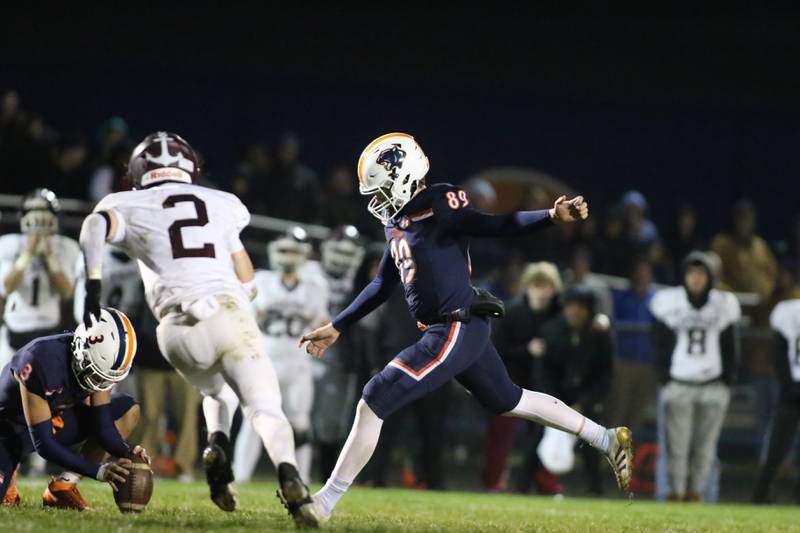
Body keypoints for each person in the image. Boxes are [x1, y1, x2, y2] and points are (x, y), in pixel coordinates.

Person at [298, 132, 633, 524]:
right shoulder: (397, 223)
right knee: (510, 400)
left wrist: (550, 216)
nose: (378, 200)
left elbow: (496, 225)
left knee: (375, 396)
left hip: (453, 325)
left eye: (384, 188)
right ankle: (607, 438)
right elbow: (381, 284)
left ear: (404, 177)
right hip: (452, 328)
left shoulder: (442, 203)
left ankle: (323, 503)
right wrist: (338, 325)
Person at [77, 131, 319, 526]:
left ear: (139, 170)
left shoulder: (127, 201)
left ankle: (215, 443)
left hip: (173, 330)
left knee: (214, 387)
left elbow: (92, 225)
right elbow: (249, 282)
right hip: (225, 311)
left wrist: (93, 286)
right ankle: (291, 480)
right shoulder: (224, 203)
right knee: (264, 408)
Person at [0, 307, 146, 510]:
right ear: (80, 352)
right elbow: (44, 445)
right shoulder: (38, 361)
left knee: (127, 410)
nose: (100, 385)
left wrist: (129, 453)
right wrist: (98, 471)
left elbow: (103, 427)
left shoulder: (98, 362)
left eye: (106, 379)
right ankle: (9, 471)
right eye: (97, 376)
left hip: (53, 420)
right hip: (10, 431)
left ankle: (63, 487)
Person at [233, 227, 329, 483]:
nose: (288, 256)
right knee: (254, 420)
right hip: (265, 361)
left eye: (293, 251)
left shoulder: (315, 287)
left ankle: (303, 478)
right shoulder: (261, 281)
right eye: (283, 250)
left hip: (298, 363)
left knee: (300, 423)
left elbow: (322, 326)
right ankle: (240, 477)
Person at [651, 251, 741, 502]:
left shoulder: (724, 304)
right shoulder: (670, 302)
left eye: (701, 273)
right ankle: (675, 493)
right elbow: (659, 341)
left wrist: (728, 380)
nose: (696, 278)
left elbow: (731, 345)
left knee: (706, 448)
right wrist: (663, 377)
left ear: (710, 277)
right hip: (679, 383)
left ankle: (696, 494)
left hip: (713, 385)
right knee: (676, 448)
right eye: (692, 272)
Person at [483, 261, 562, 494]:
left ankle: (547, 485)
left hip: (544, 387)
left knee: (545, 436)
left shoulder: (560, 315)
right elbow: (497, 350)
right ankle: (494, 482)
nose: (541, 291)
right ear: (527, 286)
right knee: (500, 436)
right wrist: (527, 350)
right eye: (536, 285)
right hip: (510, 384)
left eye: (546, 285)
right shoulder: (512, 313)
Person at [302, 225, 365, 481]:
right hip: (302, 355)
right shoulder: (308, 273)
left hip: (339, 360)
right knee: (296, 416)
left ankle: (324, 476)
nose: (341, 259)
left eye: (348, 253)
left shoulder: (361, 282)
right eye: (337, 251)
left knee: (331, 424)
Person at [539, 287, 614, 495]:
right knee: (535, 441)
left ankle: (596, 491)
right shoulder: (552, 332)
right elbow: (545, 374)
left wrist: (583, 403)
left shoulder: (599, 336)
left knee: (593, 441)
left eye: (580, 307)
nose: (574, 312)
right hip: (555, 400)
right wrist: (557, 405)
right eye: (570, 306)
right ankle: (523, 488)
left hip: (585, 401)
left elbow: (604, 377)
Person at [0, 189, 80, 366]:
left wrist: (49, 258)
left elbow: (67, 292)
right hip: (13, 334)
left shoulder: (65, 247)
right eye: (33, 214)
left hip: (48, 333)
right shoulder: (9, 244)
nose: (38, 221)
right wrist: (27, 254)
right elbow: (6, 287)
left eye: (43, 215)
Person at [752, 298, 800, 503]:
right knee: (777, 445)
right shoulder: (789, 311)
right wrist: (789, 385)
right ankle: (761, 493)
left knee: (778, 443)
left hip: (791, 387)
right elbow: (779, 353)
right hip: (792, 389)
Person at [608, 258, 657, 433]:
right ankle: (608, 457)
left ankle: (627, 458)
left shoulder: (656, 301)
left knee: (637, 413)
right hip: (623, 362)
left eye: (646, 272)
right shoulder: (621, 298)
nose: (642, 276)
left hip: (646, 363)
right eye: (639, 272)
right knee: (618, 410)